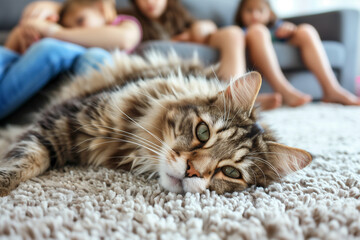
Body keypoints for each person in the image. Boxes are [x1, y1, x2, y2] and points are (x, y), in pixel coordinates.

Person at [0, 0, 142, 120]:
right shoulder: (63, 47)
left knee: (95, 55)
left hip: (95, 77)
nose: (75, 31)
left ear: (102, 8)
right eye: (69, 27)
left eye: (80, 20)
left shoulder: (125, 24)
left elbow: (125, 39)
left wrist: (54, 31)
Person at [127, 0, 282, 110]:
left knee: (234, 33)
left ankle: (238, 95)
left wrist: (194, 32)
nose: (150, 2)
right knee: (233, 33)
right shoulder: (134, 22)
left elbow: (204, 29)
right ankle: (234, 99)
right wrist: (178, 39)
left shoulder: (178, 14)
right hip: (189, 44)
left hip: (206, 39)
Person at [235, 0, 360, 106]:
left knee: (306, 30)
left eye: (260, 10)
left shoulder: (276, 27)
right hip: (256, 38)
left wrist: (289, 29)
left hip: (279, 39)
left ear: (270, 14)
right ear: (240, 14)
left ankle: (332, 89)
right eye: (249, 10)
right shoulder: (243, 31)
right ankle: (283, 90)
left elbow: (288, 31)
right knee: (259, 31)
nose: (255, 15)